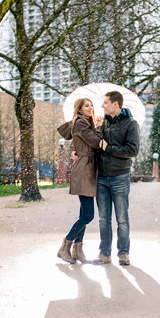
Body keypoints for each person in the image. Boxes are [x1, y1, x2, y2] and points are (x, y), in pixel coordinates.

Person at [94, 91, 140, 266]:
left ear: (115, 104)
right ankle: (104, 253)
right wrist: (98, 129)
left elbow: (132, 150)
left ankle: (123, 253)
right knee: (103, 219)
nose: (102, 106)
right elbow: (95, 146)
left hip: (120, 176)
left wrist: (109, 148)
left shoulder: (131, 124)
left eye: (105, 103)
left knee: (122, 218)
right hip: (101, 177)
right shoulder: (102, 123)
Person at [57, 98, 102, 264]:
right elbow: (96, 143)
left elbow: (83, 143)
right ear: (80, 109)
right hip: (84, 169)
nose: (91, 108)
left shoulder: (83, 124)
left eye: (92, 105)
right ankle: (65, 246)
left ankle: (77, 250)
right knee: (88, 215)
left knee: (84, 213)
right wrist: (99, 127)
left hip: (87, 168)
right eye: (87, 106)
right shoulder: (81, 123)